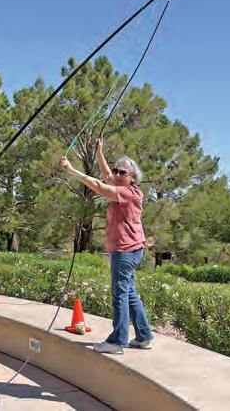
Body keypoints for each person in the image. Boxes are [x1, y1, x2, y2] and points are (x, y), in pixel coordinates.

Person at [59, 136, 154, 354]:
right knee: (130, 293)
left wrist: (72, 170)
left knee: (120, 295)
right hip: (132, 249)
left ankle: (117, 341)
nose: (117, 175)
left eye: (122, 172)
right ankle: (144, 336)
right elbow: (106, 176)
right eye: (116, 170)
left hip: (125, 250)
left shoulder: (128, 193)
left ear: (132, 178)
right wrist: (99, 152)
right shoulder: (123, 186)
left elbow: (99, 186)